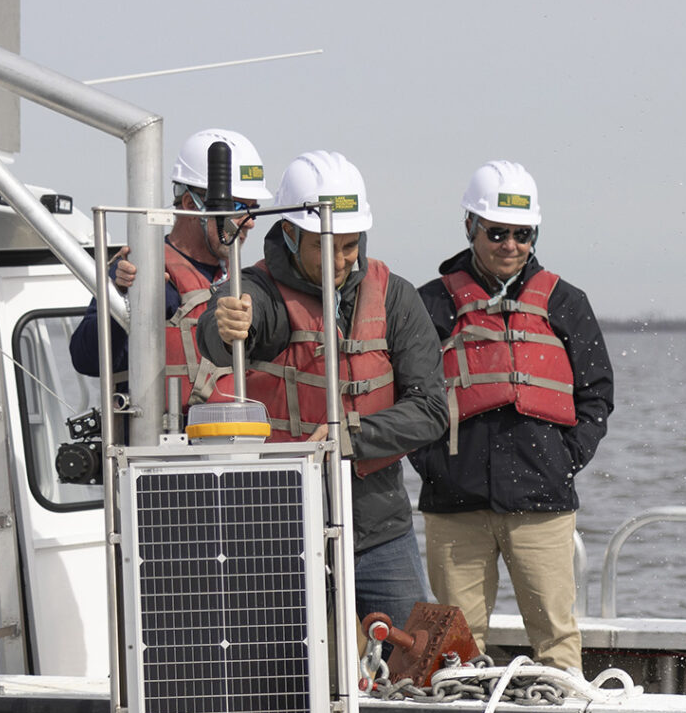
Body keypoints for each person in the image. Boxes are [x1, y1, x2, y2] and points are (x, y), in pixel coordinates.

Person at [199, 150, 447, 625]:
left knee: (416, 663)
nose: (340, 259)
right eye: (324, 245)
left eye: (350, 245)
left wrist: (346, 440)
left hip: (380, 529)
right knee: (284, 672)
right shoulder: (257, 291)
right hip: (279, 528)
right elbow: (218, 334)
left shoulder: (397, 297)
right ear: (289, 235)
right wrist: (226, 322)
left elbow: (432, 409)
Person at [412, 161, 613, 670]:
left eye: (522, 234)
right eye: (497, 232)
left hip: (542, 502)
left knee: (556, 639)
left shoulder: (567, 302)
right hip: (454, 505)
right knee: (452, 647)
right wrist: (434, 464)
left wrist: (563, 460)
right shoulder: (429, 305)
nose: (510, 245)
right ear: (470, 228)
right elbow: (405, 396)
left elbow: (597, 395)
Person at [67, 127, 270, 439]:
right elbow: (85, 358)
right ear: (190, 204)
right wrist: (128, 302)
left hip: (236, 456)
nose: (251, 222)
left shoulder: (245, 282)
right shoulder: (136, 271)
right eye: (239, 208)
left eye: (253, 209)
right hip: (164, 464)